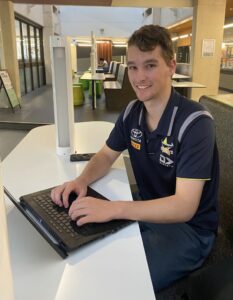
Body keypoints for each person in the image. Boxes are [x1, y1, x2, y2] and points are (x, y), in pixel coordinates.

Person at [51, 25, 219, 292]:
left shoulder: (195, 123)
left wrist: (114, 209)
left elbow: (184, 207)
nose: (139, 77)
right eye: (132, 67)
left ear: (171, 66)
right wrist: (81, 180)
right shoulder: (132, 112)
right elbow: (106, 155)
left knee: (120, 284)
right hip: (144, 208)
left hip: (189, 230)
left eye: (150, 65)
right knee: (87, 252)